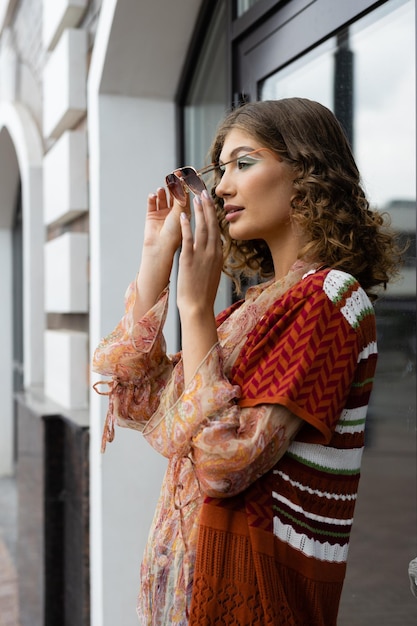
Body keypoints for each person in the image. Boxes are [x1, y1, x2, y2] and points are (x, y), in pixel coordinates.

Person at [92, 98, 401, 626]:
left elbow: (223, 461)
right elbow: (139, 400)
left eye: (244, 163)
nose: (221, 187)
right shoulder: (250, 310)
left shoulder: (330, 300)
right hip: (199, 586)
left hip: (254, 594)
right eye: (221, 169)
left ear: (307, 172)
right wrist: (154, 258)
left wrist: (194, 307)